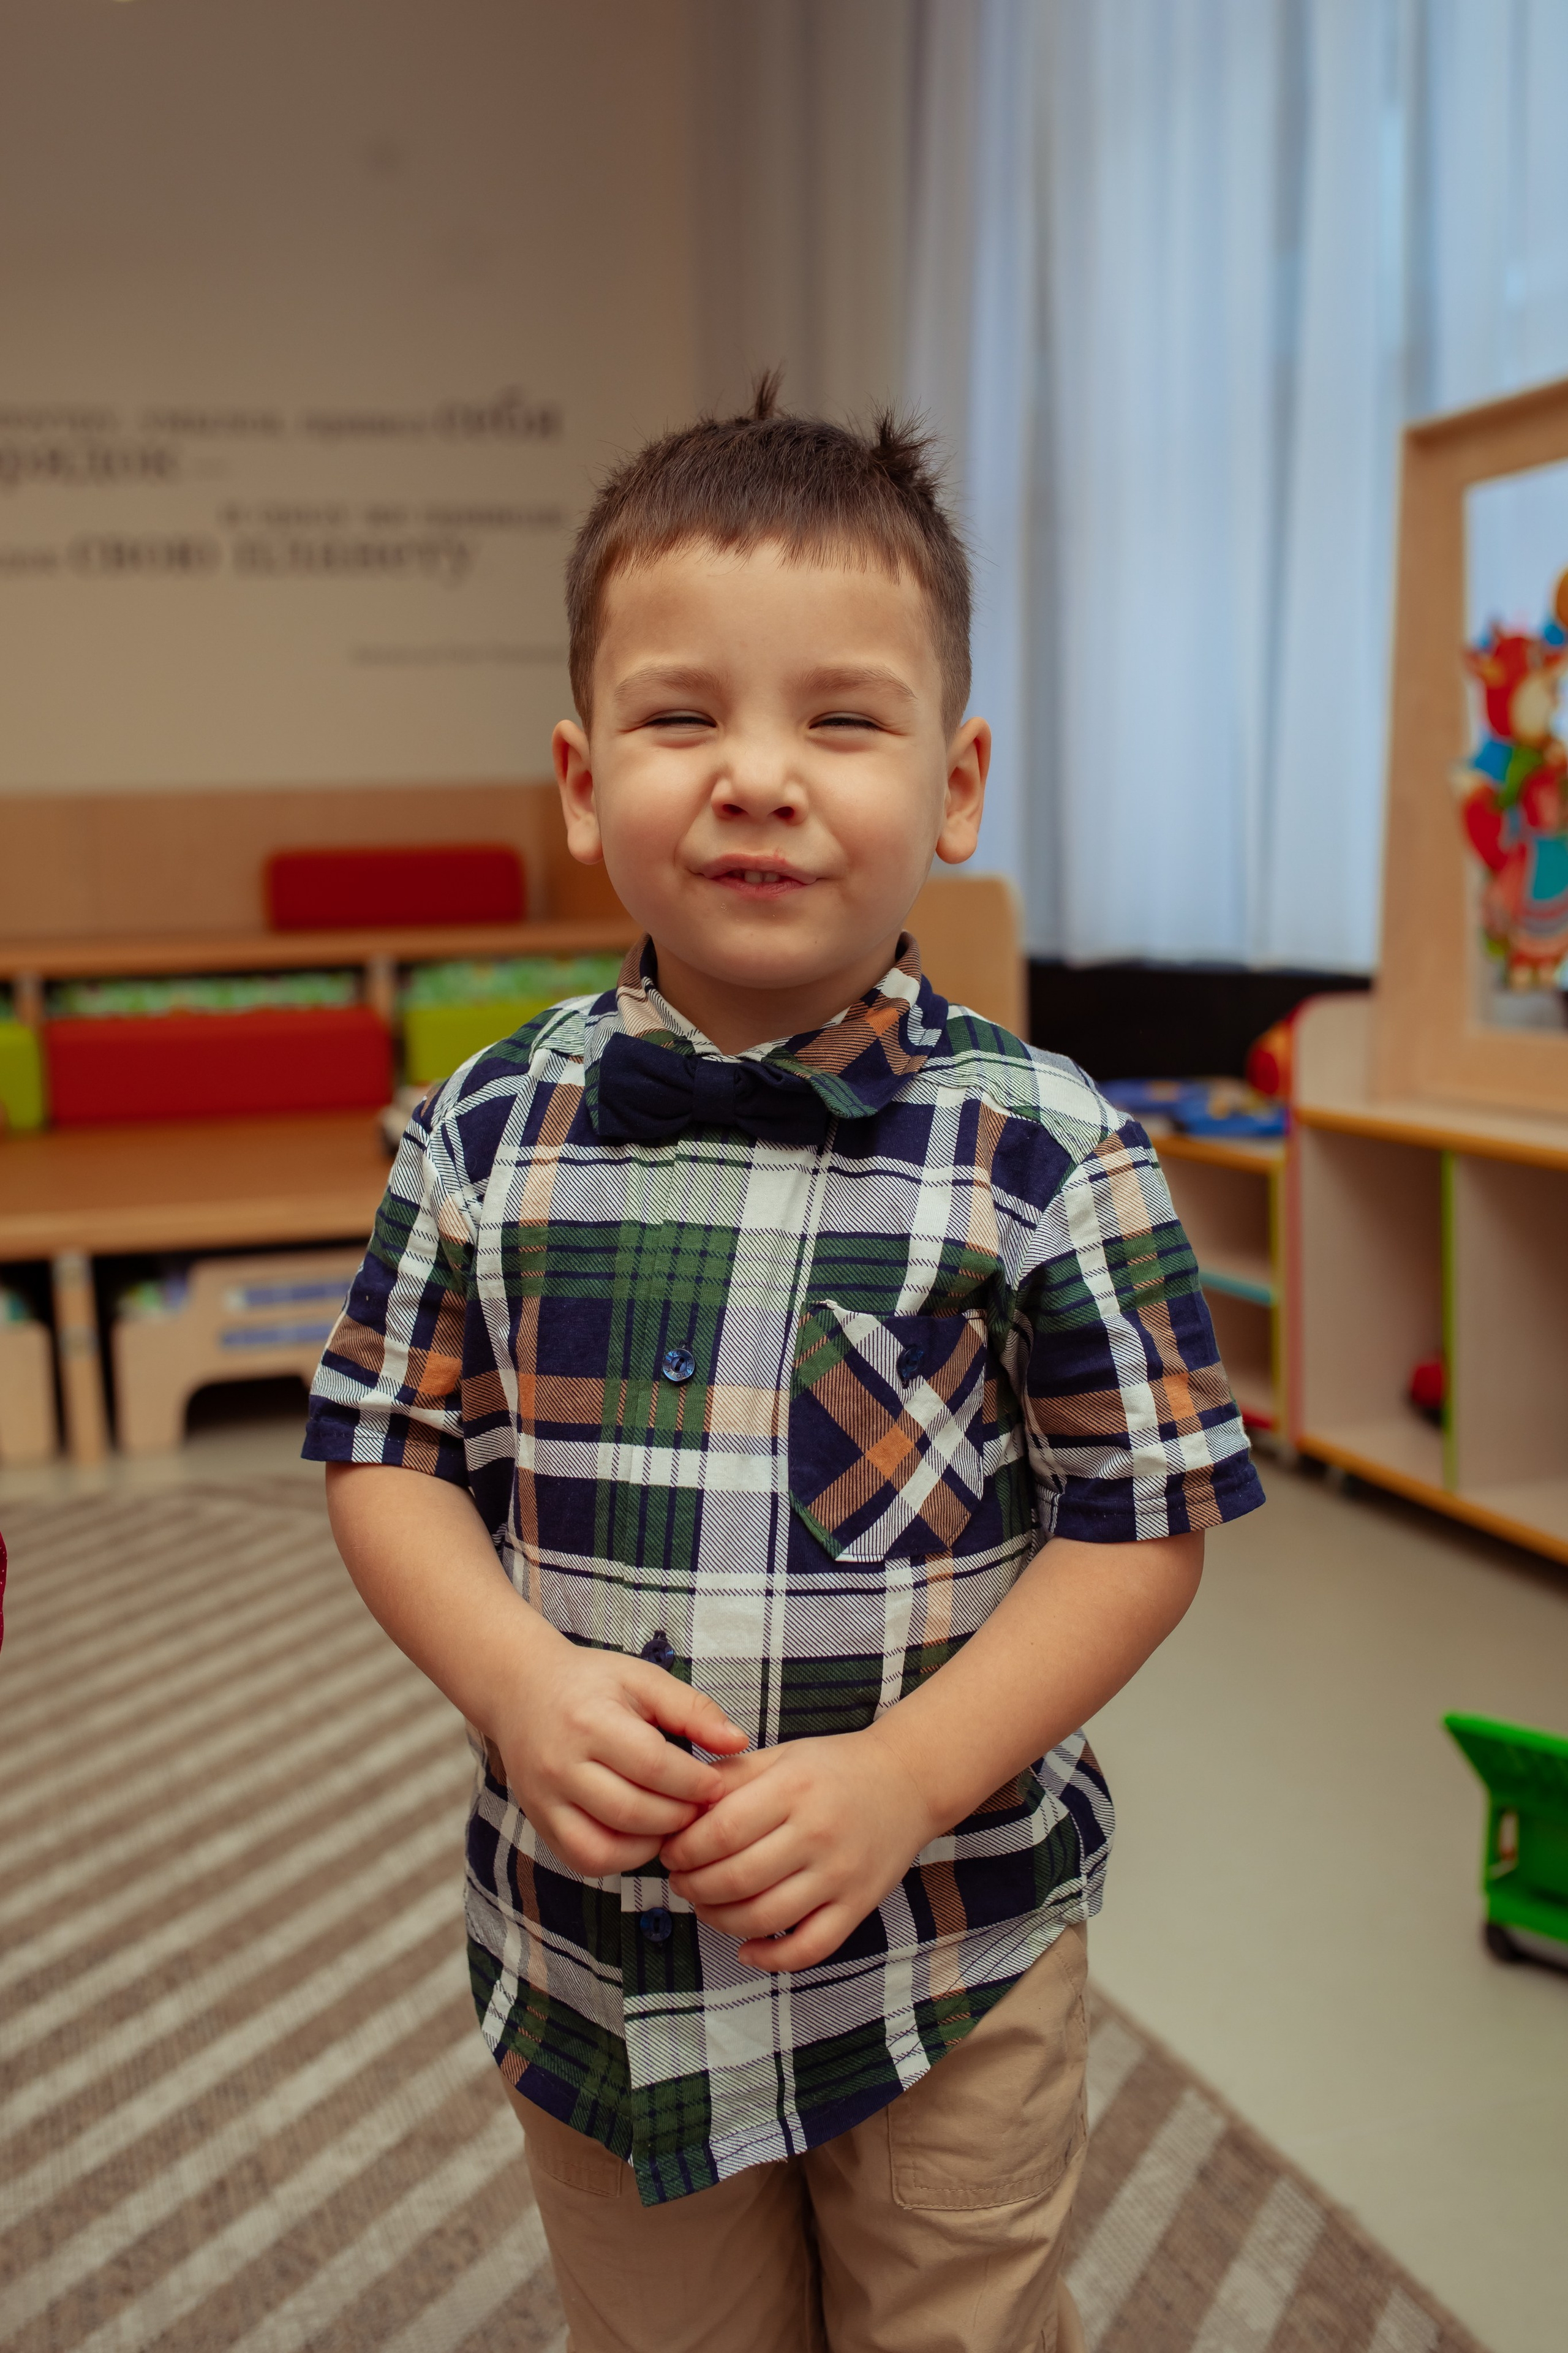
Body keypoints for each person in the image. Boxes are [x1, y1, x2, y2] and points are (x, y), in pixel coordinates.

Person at [306, 377, 1265, 2353]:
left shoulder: (1050, 1150)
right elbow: (384, 1456)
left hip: (948, 1940)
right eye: (684, 717)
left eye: (840, 716)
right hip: (600, 1957)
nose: (758, 775)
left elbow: (1140, 1525)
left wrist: (911, 1772)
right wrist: (513, 1675)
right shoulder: (481, 1136)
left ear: (959, 779)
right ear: (582, 782)